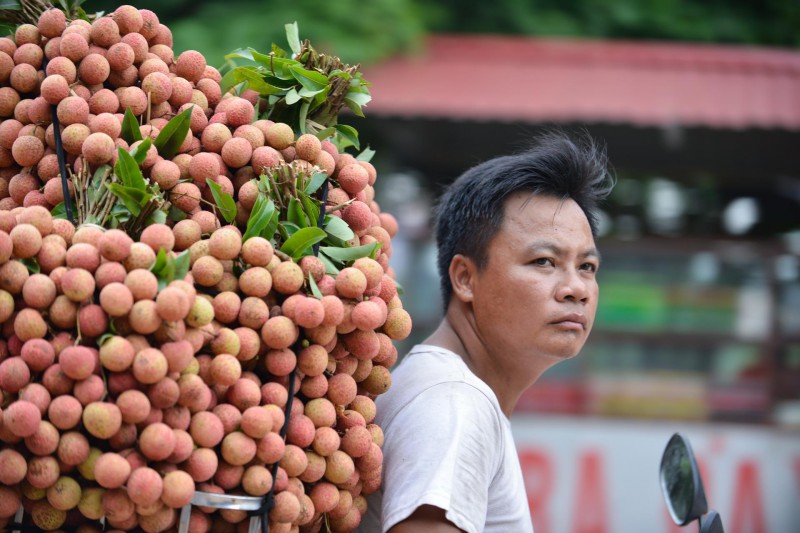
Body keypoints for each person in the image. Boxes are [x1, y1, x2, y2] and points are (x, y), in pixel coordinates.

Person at [359, 130, 615, 533]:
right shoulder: (455, 404)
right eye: (545, 261)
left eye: (586, 267)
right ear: (465, 277)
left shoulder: (448, 390)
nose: (577, 289)